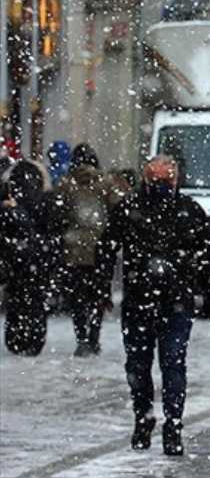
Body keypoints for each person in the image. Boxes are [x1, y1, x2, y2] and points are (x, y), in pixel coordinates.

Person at [96, 156, 210, 456]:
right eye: (158, 180)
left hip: (171, 300)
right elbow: (106, 248)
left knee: (169, 364)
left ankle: (171, 424)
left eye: (166, 180)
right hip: (144, 300)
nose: (163, 186)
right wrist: (101, 289)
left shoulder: (186, 211)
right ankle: (147, 418)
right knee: (143, 365)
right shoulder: (133, 210)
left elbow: (205, 254)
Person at [51, 144, 123, 356]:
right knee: (98, 295)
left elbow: (58, 213)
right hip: (100, 248)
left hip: (73, 248)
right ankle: (94, 336)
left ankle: (81, 337)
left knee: (77, 297)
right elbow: (118, 209)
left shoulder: (66, 183)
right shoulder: (106, 183)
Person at [1, 160, 61, 356]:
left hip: (16, 256)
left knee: (17, 297)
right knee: (35, 299)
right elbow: (52, 226)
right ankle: (33, 339)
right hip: (37, 257)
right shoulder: (45, 198)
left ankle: (16, 338)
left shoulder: (11, 201)